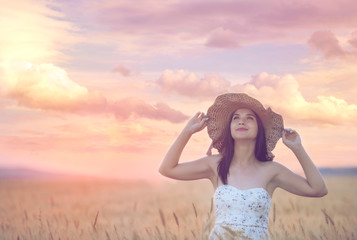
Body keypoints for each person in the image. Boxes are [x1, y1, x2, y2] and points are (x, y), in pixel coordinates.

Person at [159, 93, 328, 240]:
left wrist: (298, 149)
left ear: (259, 129)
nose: (241, 122)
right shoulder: (215, 164)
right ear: (230, 128)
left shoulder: (272, 170)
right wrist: (187, 131)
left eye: (249, 118)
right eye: (236, 118)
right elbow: (167, 169)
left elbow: (318, 189)